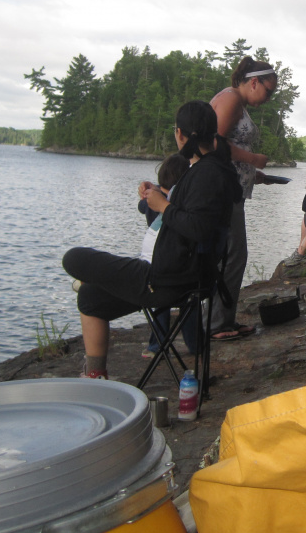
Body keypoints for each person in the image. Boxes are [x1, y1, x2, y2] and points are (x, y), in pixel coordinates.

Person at [63, 100, 241, 379]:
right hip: (181, 276)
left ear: (180, 134)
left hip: (166, 280)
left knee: (73, 258)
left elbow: (198, 227)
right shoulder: (210, 170)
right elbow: (194, 211)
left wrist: (162, 206)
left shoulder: (207, 174)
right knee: (90, 298)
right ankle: (95, 375)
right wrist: (157, 194)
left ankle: (91, 280)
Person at [209, 56, 278, 341]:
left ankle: (221, 320)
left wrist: (254, 173)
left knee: (230, 255)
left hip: (232, 188)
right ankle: (217, 325)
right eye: (268, 91)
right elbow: (214, 142)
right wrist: (252, 159)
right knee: (235, 254)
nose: (269, 97)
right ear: (254, 82)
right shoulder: (231, 99)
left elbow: (229, 144)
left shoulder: (234, 100)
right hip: (223, 191)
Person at [138, 152, 191, 359]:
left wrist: (150, 189)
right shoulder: (183, 203)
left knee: (161, 303)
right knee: (188, 302)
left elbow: (142, 205)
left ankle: (156, 346)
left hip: (156, 268)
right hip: (182, 268)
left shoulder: (151, 201)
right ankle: (195, 343)